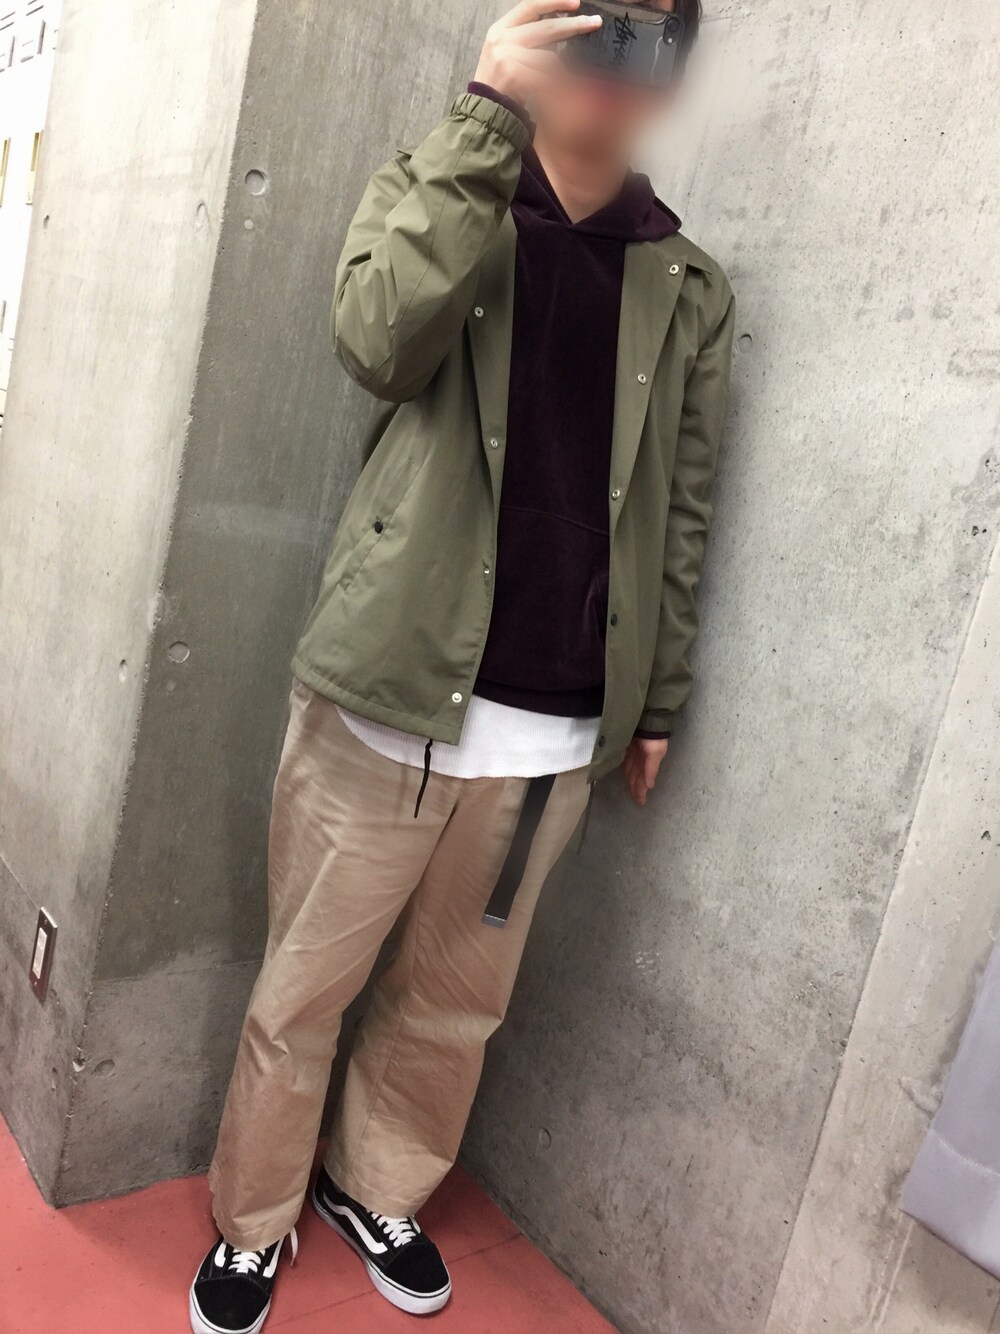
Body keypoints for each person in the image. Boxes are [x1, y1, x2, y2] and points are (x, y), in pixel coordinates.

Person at [190, 1, 733, 1330]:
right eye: (592, 25)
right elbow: (375, 340)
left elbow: (683, 508)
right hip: (389, 692)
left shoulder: (688, 285)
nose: (614, 67)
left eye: (648, 39)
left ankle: (373, 1185)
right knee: (304, 985)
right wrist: (487, 112)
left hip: (552, 730)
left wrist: (658, 697)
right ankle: (254, 1216)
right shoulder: (442, 185)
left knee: (455, 1000)